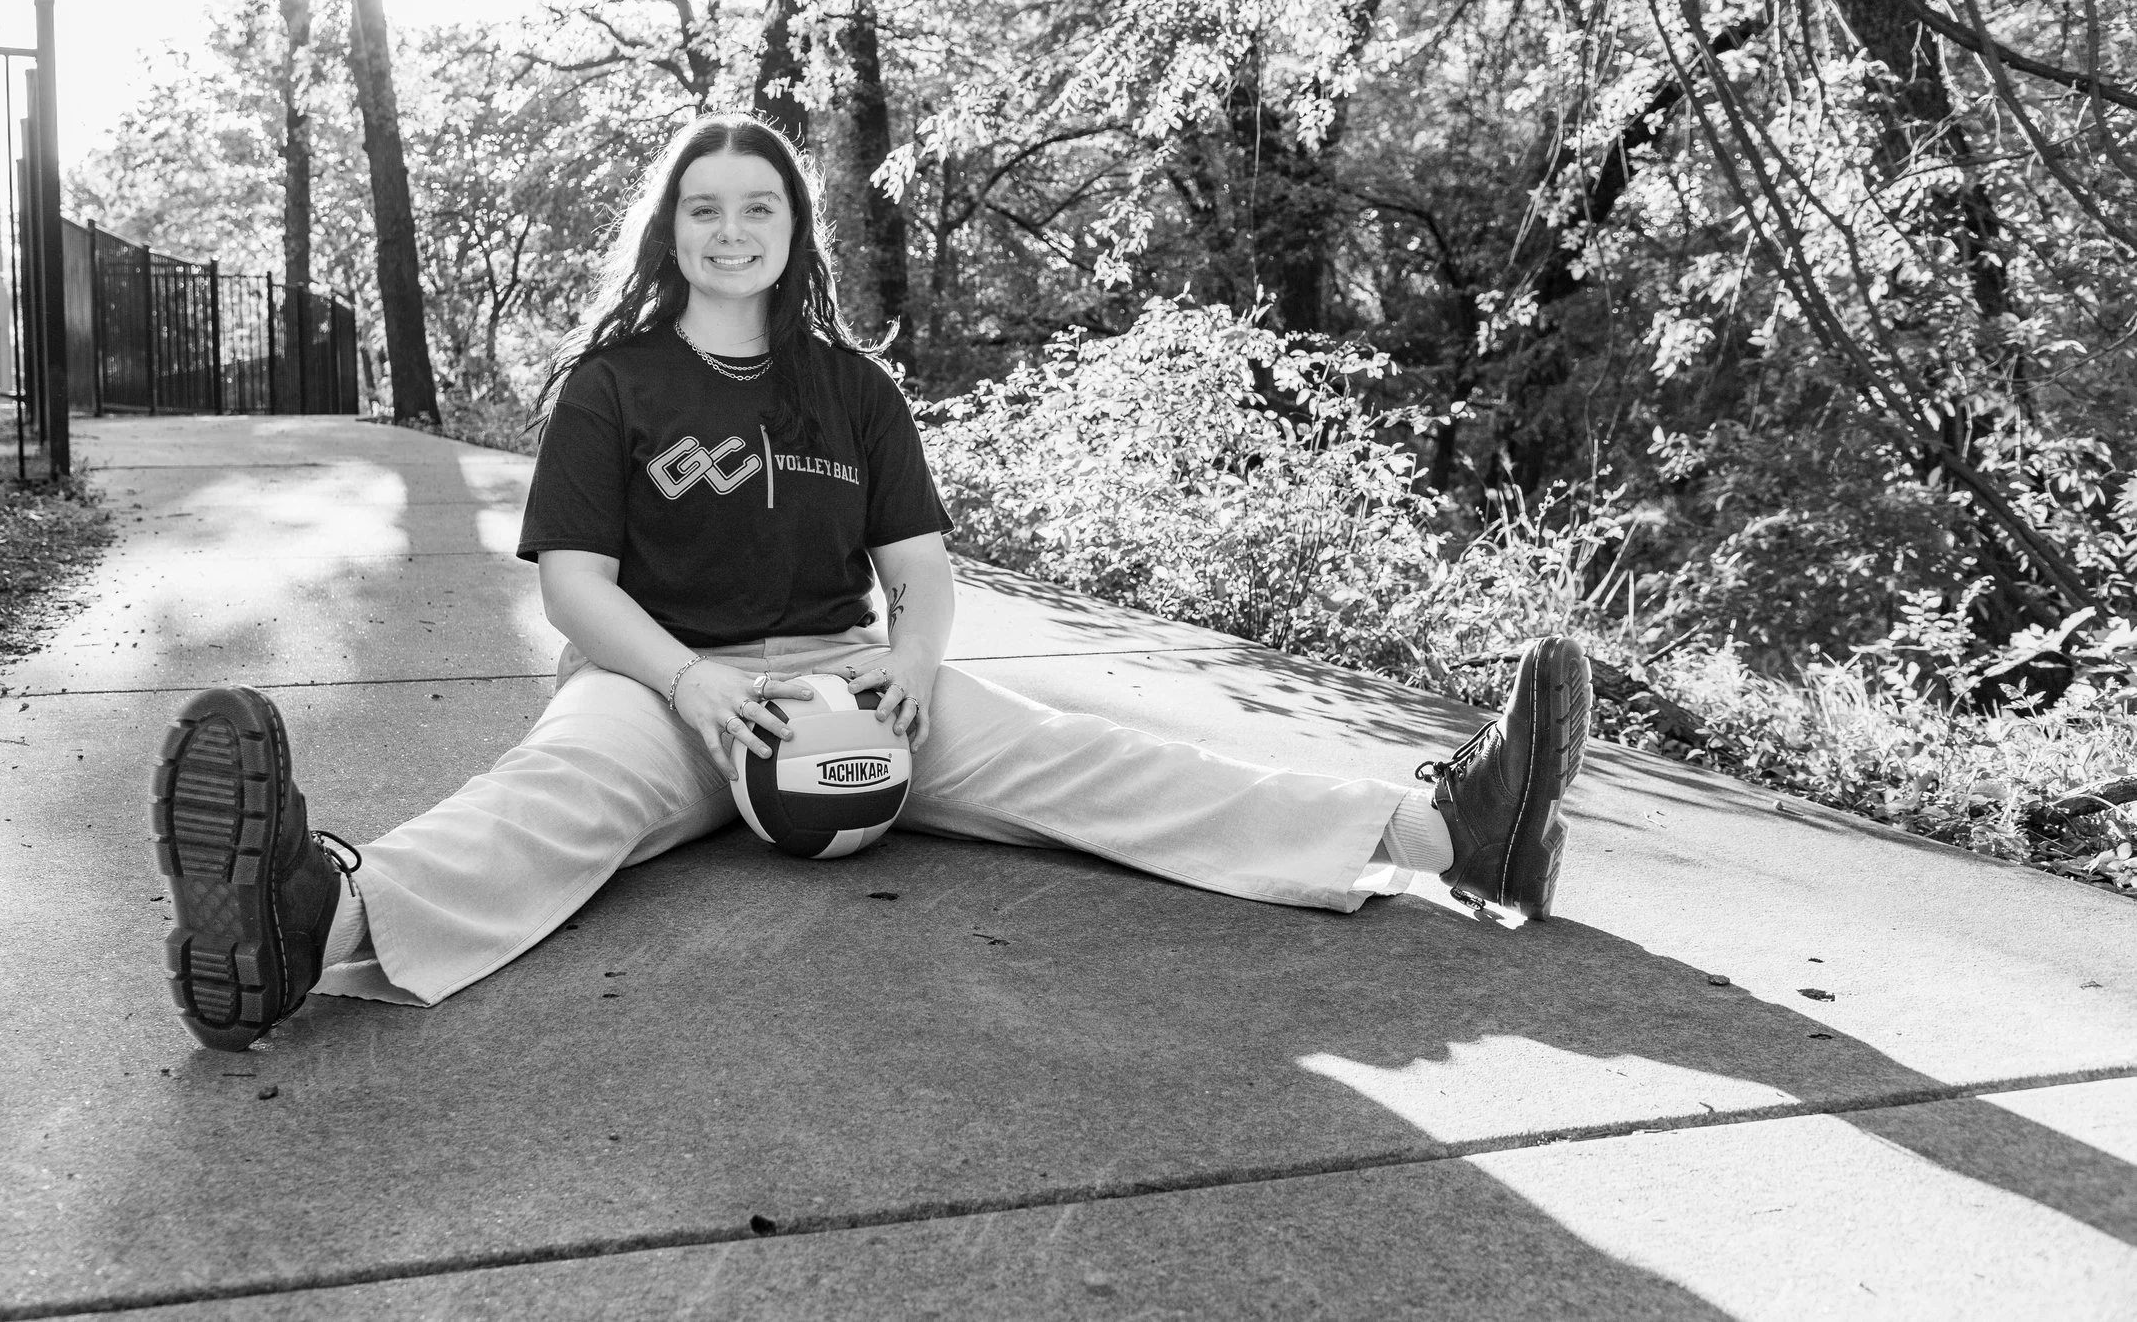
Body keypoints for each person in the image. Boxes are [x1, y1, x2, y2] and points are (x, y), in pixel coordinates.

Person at [150, 113, 1595, 1052]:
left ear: (792, 228)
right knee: (540, 813)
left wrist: (914, 659)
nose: (730, 230)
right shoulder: (613, 385)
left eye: (757, 207)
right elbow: (577, 588)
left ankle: (1450, 829)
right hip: (663, 690)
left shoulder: (855, 388)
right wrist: (689, 681)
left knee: (1099, 768)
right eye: (703, 208)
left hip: (851, 693)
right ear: (671, 229)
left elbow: (923, 571)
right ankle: (302, 920)